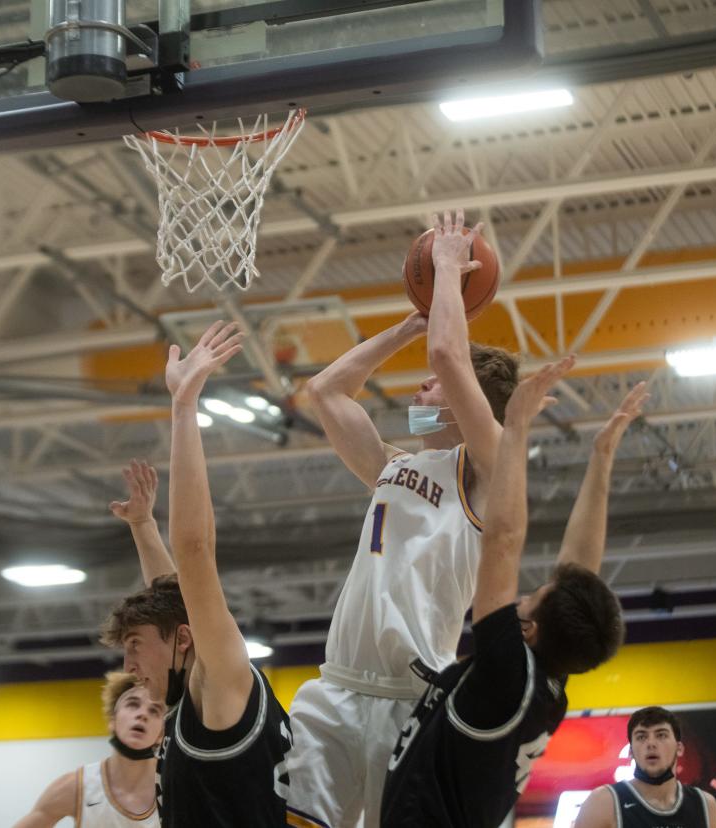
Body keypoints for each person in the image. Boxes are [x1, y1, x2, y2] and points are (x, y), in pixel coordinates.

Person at [288, 208, 571, 827]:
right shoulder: (394, 464)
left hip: (412, 698)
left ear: (474, 403)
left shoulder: (491, 466)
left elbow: (447, 354)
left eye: (433, 388)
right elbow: (326, 392)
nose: (419, 389)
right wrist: (406, 328)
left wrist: (447, 267)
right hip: (335, 687)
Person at [380, 366, 642, 827]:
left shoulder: (507, 674)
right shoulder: (545, 685)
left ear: (529, 627)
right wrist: (601, 456)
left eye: (531, 596)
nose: (521, 594)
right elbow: (579, 569)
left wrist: (515, 429)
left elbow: (501, 540)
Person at [101, 322, 291, 827]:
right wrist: (142, 526)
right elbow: (174, 596)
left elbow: (194, 553)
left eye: (136, 645)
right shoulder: (194, 694)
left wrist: (184, 409)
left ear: (184, 641)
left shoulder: (223, 683)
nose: (129, 663)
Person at [13, 672, 165, 827]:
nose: (142, 714)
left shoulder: (175, 788)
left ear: (162, 733)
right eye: (133, 704)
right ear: (112, 720)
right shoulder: (75, 788)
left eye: (154, 710)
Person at [574, 706, 716, 828]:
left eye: (661, 735)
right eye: (641, 737)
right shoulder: (603, 802)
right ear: (630, 752)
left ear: (679, 748)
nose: (651, 744)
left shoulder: (705, 804)